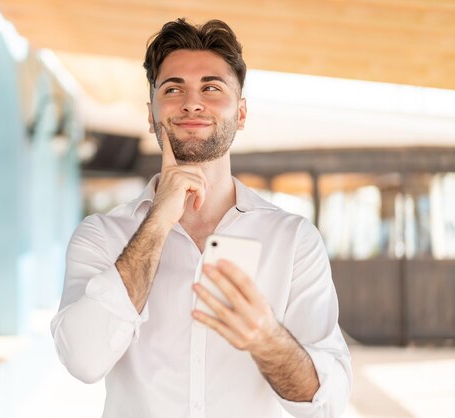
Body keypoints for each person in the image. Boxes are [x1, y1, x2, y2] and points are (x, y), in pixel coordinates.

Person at [51, 18, 352, 418]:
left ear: (241, 113)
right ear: (151, 113)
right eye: (173, 88)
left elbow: (327, 404)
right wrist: (158, 221)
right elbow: (83, 361)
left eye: (211, 87)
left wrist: (267, 339)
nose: (192, 102)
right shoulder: (101, 236)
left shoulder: (293, 239)